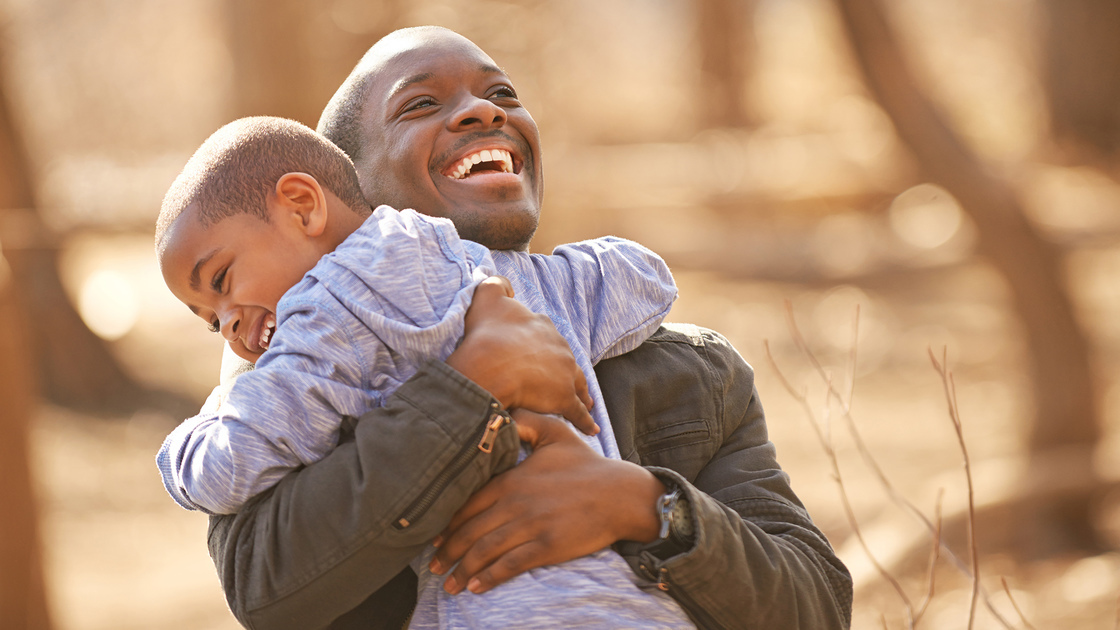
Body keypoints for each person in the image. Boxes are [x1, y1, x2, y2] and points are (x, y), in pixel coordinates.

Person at [204, 26, 853, 629]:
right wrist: (466, 389)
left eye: (502, 95)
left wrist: (646, 508)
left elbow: (817, 603)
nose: (485, 113)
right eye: (419, 105)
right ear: (349, 196)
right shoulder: (296, 379)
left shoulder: (693, 374)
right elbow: (266, 589)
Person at [155, 115, 695, 628]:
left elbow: (232, 468)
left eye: (223, 281)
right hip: (642, 605)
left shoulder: (321, 322)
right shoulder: (496, 271)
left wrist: (196, 431)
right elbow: (645, 280)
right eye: (212, 323)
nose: (228, 327)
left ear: (302, 206)